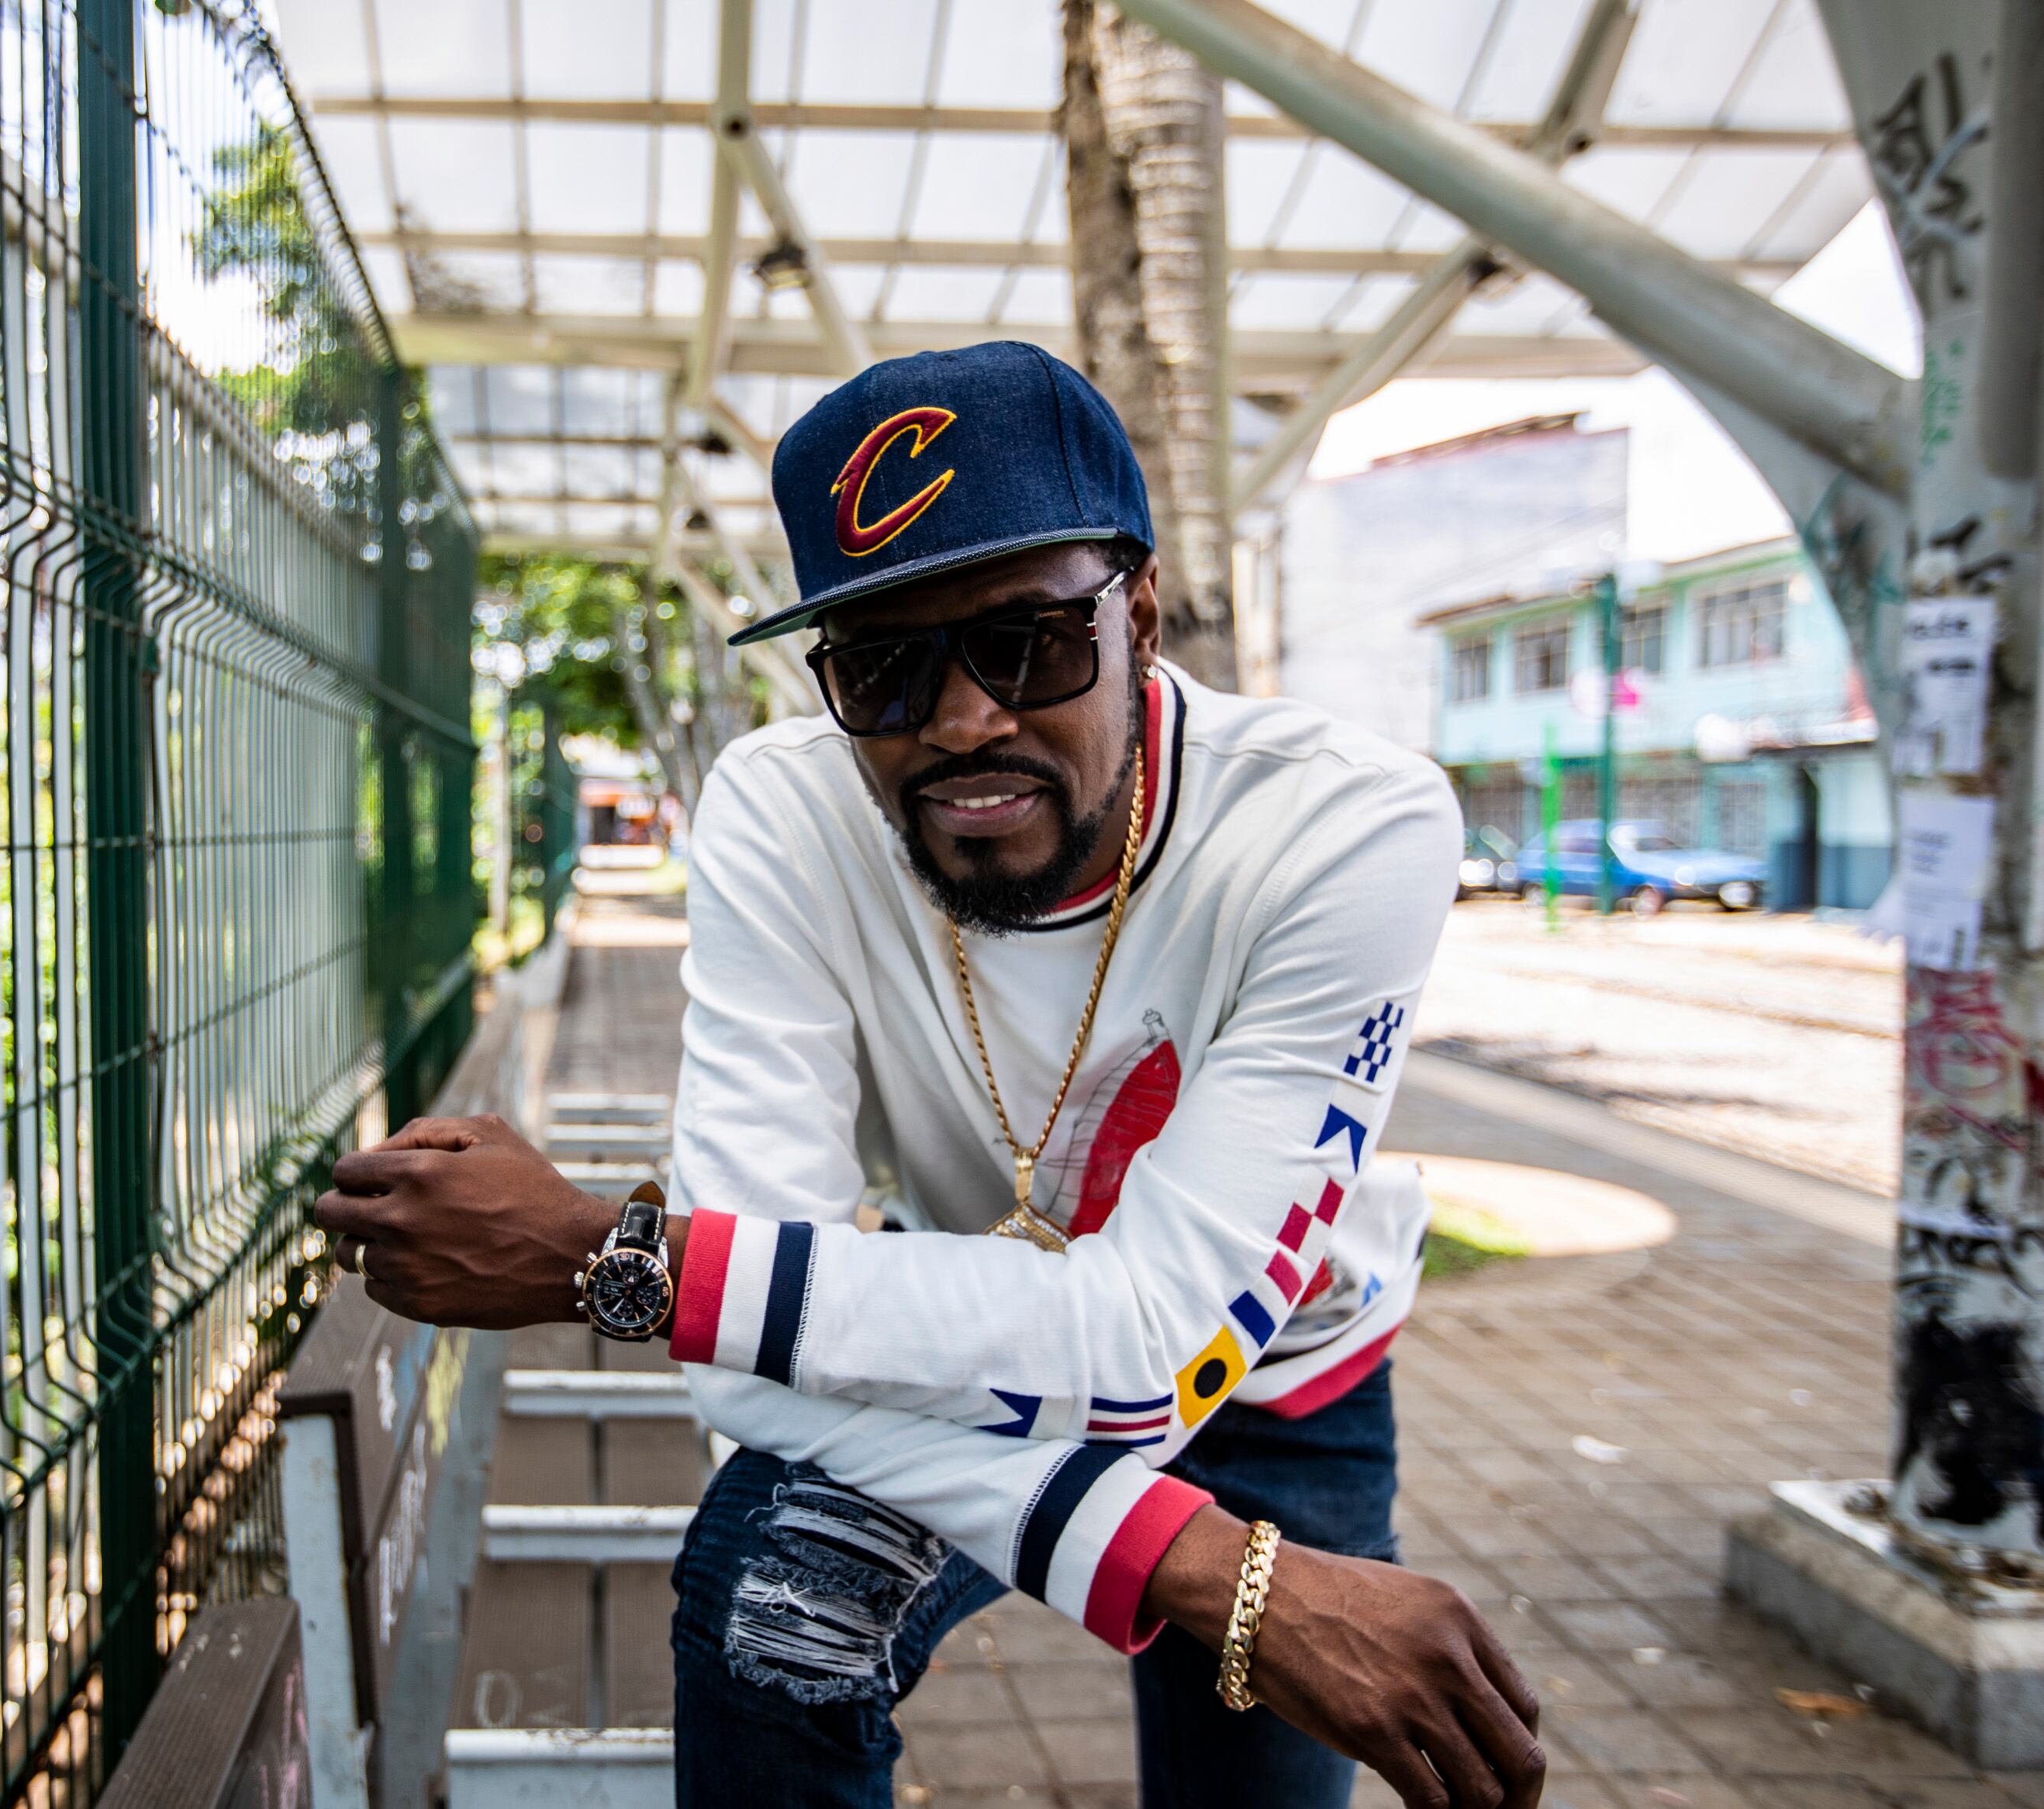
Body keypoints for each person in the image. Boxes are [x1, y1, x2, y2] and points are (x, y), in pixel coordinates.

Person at [316, 341, 1544, 1809]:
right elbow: (745, 1348)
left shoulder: (1347, 825)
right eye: (884, 667)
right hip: (952, 1338)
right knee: (772, 1608)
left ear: (1141, 615)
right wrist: (1199, 1563)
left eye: (1029, 640)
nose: (962, 718)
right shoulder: (784, 809)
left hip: (1286, 1374)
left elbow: (1143, 1345)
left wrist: (612, 1257)